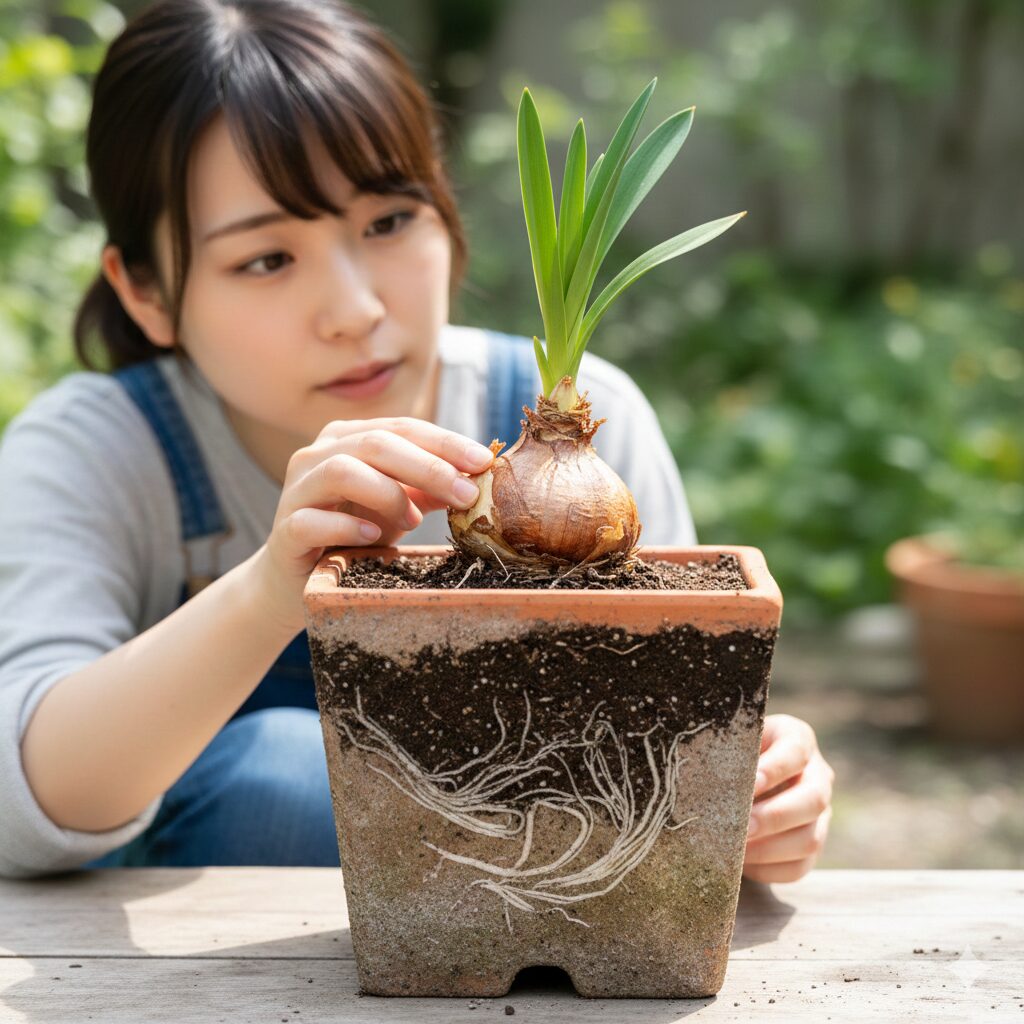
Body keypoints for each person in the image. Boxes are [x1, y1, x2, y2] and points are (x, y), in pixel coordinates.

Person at [0, 0, 833, 883]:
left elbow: (678, 738)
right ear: (145, 292)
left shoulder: (592, 426)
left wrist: (758, 798)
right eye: (266, 259)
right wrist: (270, 592)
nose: (356, 310)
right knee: (287, 778)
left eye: (388, 222)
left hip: (556, 933)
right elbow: (22, 804)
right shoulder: (101, 449)